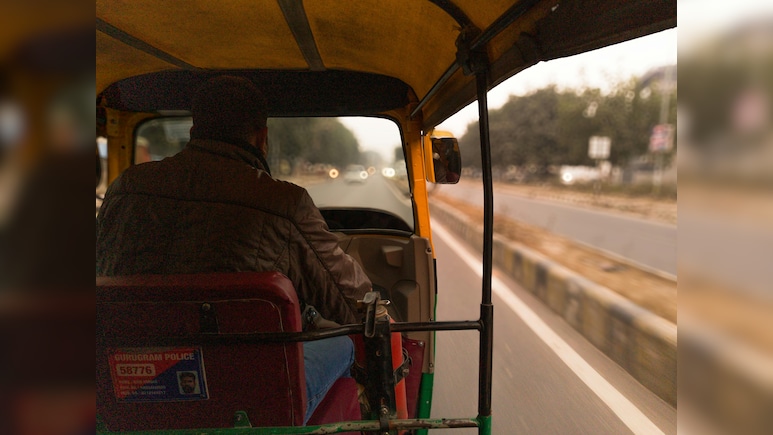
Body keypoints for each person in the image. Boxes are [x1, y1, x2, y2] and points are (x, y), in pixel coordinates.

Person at [96, 75, 372, 423]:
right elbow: (351, 305)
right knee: (345, 344)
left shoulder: (125, 189)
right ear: (262, 137)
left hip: (133, 386)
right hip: (245, 400)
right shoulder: (283, 203)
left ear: (196, 129)